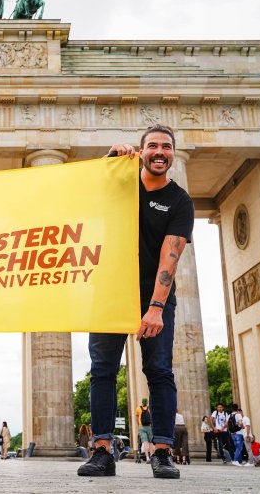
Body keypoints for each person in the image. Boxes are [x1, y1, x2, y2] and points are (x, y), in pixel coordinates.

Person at [78, 124, 194, 480]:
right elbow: (82, 194)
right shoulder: (121, 183)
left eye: (167, 147)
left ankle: (162, 451)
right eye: (153, 146)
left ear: (173, 153)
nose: (160, 152)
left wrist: (156, 307)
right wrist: (109, 161)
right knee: (102, 371)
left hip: (152, 297)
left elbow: (169, 259)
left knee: (158, 371)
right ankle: (101, 451)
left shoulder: (179, 201)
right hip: (110, 290)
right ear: (143, 151)